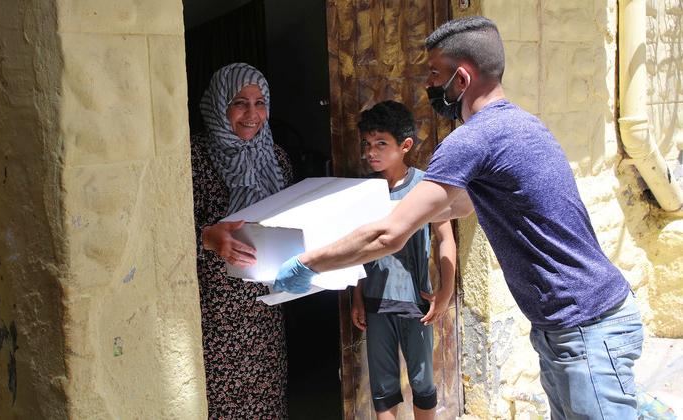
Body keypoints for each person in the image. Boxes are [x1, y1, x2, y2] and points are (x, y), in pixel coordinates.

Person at [273, 16, 643, 419]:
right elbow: (460, 205)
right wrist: (365, 216)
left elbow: (389, 236)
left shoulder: (471, 140)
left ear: (462, 79)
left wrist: (306, 263)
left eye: (434, 73)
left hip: (585, 328)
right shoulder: (521, 124)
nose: (428, 83)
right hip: (574, 324)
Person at [191, 62, 291, 419]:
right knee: (221, 399)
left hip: (265, 303)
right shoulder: (193, 157)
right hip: (215, 307)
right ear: (220, 104)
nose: (252, 114)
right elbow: (162, 229)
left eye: (260, 103)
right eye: (239, 103)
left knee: (265, 394)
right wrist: (207, 237)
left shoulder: (277, 159)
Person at [352, 101, 456, 419]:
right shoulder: (363, 191)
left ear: (405, 145)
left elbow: (446, 238)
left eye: (381, 144)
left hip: (416, 303)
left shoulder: (425, 187)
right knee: (383, 388)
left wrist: (445, 292)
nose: (371, 152)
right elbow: (356, 249)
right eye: (367, 144)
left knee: (422, 382)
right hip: (375, 301)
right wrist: (357, 296)